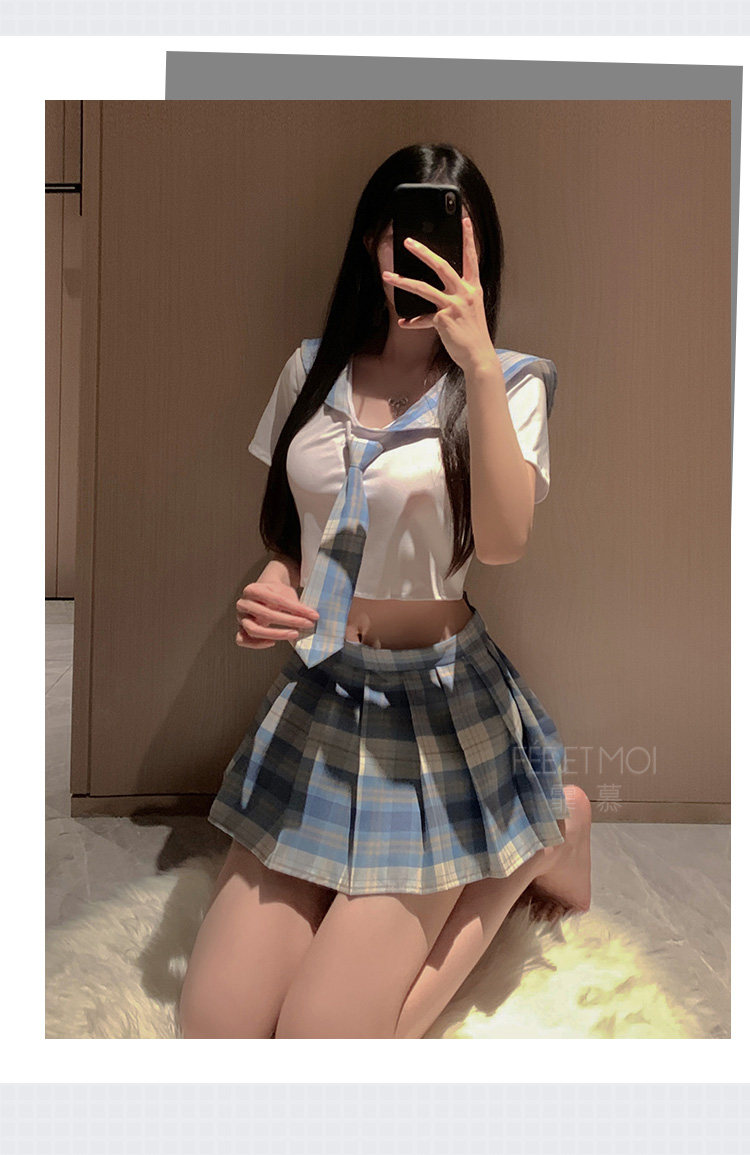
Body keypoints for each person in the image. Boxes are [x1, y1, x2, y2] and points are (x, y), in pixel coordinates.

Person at [178, 142, 591, 1041]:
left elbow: (505, 542)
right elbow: (293, 531)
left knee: (328, 1039)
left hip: (439, 717)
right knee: (213, 1026)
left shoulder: (511, 382)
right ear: (373, 240)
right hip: (323, 699)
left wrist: (477, 363)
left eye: (451, 236)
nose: (422, 254)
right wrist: (273, 584)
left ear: (480, 254)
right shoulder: (311, 370)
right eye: (404, 232)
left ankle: (536, 843)